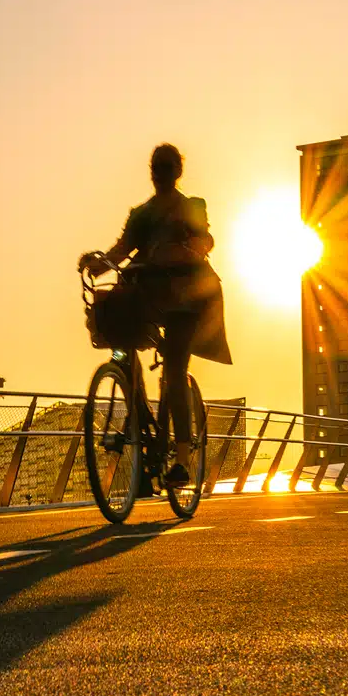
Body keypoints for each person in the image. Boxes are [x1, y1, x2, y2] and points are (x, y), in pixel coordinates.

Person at [79, 143, 232, 487]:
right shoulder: (141, 213)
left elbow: (205, 238)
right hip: (148, 297)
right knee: (121, 337)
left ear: (176, 171)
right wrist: (96, 263)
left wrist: (186, 250)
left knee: (175, 371)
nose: (158, 172)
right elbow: (121, 250)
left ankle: (180, 459)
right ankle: (139, 425)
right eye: (154, 166)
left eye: (164, 166)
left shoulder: (191, 206)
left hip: (186, 301)